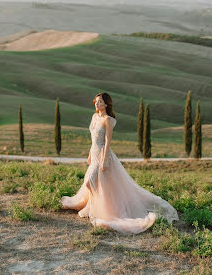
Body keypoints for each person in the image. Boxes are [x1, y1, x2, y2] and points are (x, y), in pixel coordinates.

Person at [60, 92, 179, 234]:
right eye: (96, 101)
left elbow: (107, 142)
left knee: (89, 182)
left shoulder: (108, 120)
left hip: (104, 156)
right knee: (93, 183)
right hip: (95, 153)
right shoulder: (94, 117)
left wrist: (104, 160)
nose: (97, 104)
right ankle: (92, 206)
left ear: (106, 104)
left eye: (100, 102)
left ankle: (95, 207)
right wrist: (90, 154)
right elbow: (94, 139)